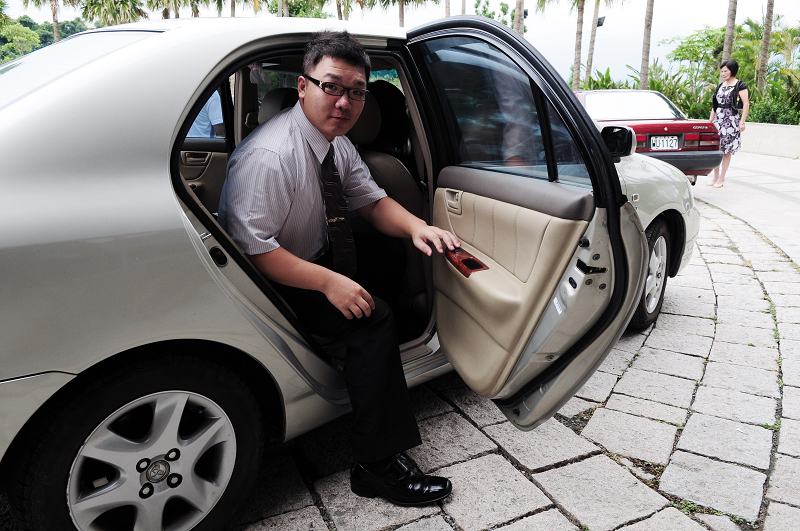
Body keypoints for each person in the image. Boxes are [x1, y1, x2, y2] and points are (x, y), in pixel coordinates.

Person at [218, 31, 457, 506]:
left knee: (389, 256)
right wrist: (329, 283)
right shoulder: (270, 155)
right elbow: (253, 251)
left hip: (313, 254)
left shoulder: (337, 144)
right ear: (303, 86)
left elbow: (371, 203)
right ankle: (377, 466)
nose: (344, 102)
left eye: (356, 92)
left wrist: (417, 228)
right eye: (331, 87)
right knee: (374, 320)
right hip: (270, 281)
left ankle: (378, 365)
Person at [708, 59, 750, 188]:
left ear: (732, 71)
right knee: (716, 148)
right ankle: (715, 176)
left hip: (731, 121)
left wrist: (742, 122)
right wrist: (710, 121)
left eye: (725, 71)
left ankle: (722, 177)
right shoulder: (720, 86)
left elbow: (746, 104)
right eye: (722, 71)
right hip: (718, 120)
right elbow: (715, 105)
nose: (723, 74)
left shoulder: (740, 85)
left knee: (726, 150)